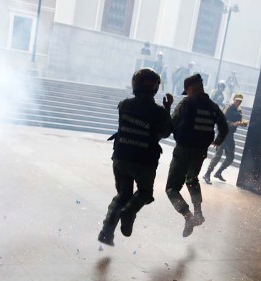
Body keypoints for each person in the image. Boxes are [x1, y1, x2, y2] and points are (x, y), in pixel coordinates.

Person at [98, 68, 174, 246]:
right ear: (155, 88)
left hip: (121, 157)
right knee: (145, 193)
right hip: (144, 161)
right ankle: (130, 212)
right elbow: (165, 132)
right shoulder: (158, 112)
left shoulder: (124, 105)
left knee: (123, 195)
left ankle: (106, 232)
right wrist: (167, 109)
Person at [166, 74, 229, 237]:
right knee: (192, 180)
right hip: (200, 151)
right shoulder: (213, 106)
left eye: (187, 91)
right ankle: (198, 212)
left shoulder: (187, 102)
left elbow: (171, 124)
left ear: (191, 89)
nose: (186, 94)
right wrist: (218, 139)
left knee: (172, 188)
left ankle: (188, 216)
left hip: (183, 150)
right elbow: (224, 126)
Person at [203, 93, 249, 183]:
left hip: (230, 135)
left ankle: (219, 172)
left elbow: (239, 121)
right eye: (237, 100)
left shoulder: (239, 110)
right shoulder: (228, 108)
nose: (238, 102)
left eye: (240, 101)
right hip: (223, 134)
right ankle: (207, 174)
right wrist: (232, 123)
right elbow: (221, 121)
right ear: (234, 99)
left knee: (230, 157)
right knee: (218, 155)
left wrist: (242, 123)